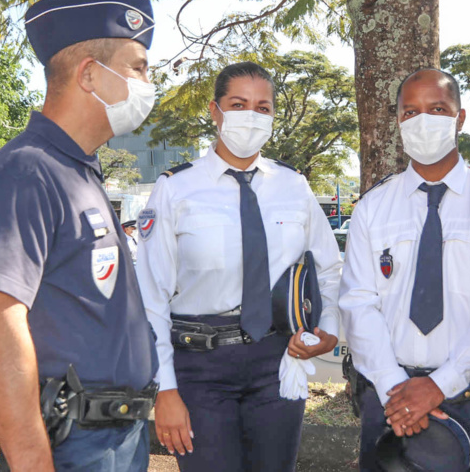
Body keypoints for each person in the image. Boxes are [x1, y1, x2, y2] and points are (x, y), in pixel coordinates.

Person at [0, 0, 160, 471]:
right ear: (89, 74)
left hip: (118, 438)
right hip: (71, 445)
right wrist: (32, 461)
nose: (148, 83)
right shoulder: (27, 171)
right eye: (138, 67)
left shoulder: (80, 171)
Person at [136, 62, 343, 471]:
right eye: (239, 103)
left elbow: (329, 269)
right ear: (215, 112)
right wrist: (165, 390)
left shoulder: (293, 185)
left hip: (278, 359)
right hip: (200, 367)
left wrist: (329, 331)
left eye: (262, 107)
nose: (251, 115)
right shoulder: (176, 188)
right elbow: (150, 296)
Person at [339, 68, 470, 471]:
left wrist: (439, 385)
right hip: (390, 402)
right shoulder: (372, 207)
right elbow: (358, 304)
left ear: (460, 118)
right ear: (398, 120)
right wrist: (395, 388)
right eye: (410, 112)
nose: (423, 121)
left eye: (437, 109)